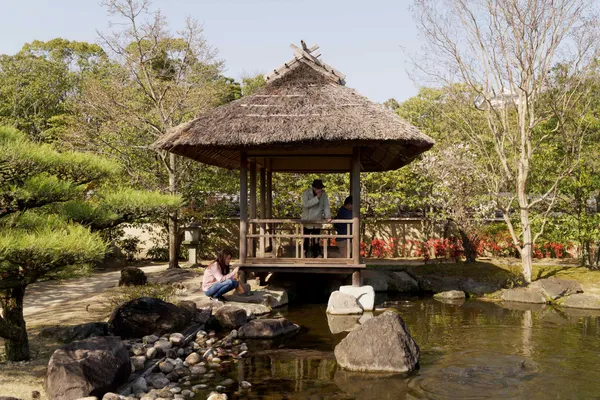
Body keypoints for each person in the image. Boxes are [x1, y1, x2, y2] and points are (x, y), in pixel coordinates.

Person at [301, 179, 331, 258]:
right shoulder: (306, 193)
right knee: (305, 239)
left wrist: (328, 216)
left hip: (317, 220)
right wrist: (317, 198)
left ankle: (317, 254)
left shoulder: (323, 194)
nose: (320, 190)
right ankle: (304, 254)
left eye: (321, 188)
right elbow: (306, 204)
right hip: (307, 220)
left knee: (316, 239)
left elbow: (326, 206)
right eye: (318, 188)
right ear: (313, 188)